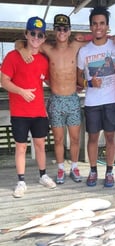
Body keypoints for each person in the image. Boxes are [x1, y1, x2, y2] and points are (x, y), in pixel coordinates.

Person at [16, 14, 87, 184]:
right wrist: (21, 49)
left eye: (65, 29)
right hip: (55, 100)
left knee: (76, 138)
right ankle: (61, 168)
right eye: (58, 28)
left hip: (72, 99)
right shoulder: (47, 48)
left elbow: (97, 38)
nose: (62, 32)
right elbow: (20, 42)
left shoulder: (76, 45)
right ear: (54, 31)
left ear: (69, 31)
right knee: (58, 139)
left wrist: (111, 38)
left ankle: (74, 166)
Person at [1, 16, 56, 198]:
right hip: (20, 112)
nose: (36, 37)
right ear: (26, 34)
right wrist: (21, 91)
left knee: (40, 145)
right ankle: (21, 181)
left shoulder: (44, 60)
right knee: (21, 147)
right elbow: (4, 81)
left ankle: (43, 175)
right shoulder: (13, 56)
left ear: (44, 38)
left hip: (39, 111)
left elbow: (48, 79)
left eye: (40, 35)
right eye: (32, 33)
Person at [77, 6, 115, 187]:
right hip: (92, 102)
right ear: (90, 27)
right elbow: (78, 77)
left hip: (112, 101)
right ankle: (93, 170)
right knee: (93, 138)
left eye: (102, 23)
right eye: (95, 24)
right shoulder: (84, 51)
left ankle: (110, 171)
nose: (98, 27)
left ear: (107, 26)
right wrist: (89, 83)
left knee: (111, 137)